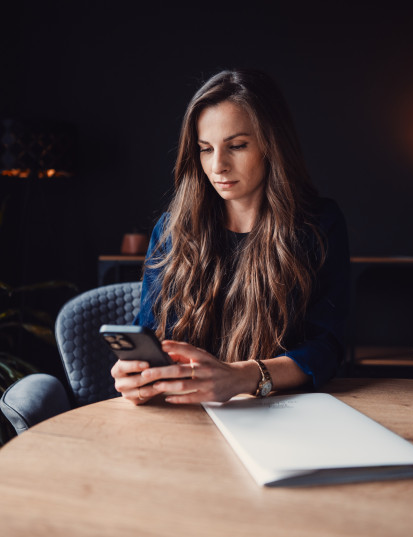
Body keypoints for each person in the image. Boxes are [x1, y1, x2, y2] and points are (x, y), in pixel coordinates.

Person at [111, 69, 350, 405]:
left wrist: (241, 377)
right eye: (205, 149)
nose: (218, 166)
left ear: (272, 144)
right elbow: (150, 331)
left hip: (278, 412)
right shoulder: (171, 230)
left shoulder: (317, 225)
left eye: (236, 146)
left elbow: (327, 348)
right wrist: (134, 373)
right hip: (182, 415)